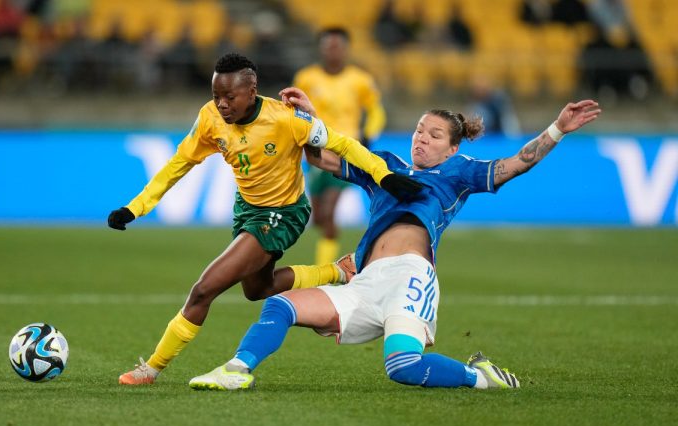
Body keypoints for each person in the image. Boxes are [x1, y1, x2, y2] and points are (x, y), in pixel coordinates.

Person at [188, 88, 601, 390]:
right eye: (420, 130)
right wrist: (309, 118)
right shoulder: (385, 166)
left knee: (403, 367)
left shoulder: (458, 174)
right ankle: (236, 371)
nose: (422, 138)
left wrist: (557, 129)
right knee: (279, 306)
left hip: (411, 277)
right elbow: (320, 156)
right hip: (365, 282)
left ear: (452, 148)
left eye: (435, 136)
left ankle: (481, 378)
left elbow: (517, 163)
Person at [108, 53, 422, 385]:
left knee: (204, 289)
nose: (222, 104)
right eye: (216, 96)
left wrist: (383, 175)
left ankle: (152, 368)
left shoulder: (287, 119)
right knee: (258, 289)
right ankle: (337, 270)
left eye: (229, 97)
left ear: (252, 89)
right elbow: (177, 165)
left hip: (283, 213)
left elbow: (342, 144)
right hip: (248, 210)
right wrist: (136, 207)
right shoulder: (210, 118)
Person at [292, 27, 387, 266]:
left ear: (345, 50)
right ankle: (334, 264)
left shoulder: (360, 80)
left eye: (337, 47)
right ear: (321, 49)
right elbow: (293, 111)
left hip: (344, 151)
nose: (333, 51)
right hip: (314, 152)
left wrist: (368, 134)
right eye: (328, 47)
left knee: (329, 211)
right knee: (318, 217)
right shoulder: (306, 77)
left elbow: (376, 111)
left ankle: (325, 271)